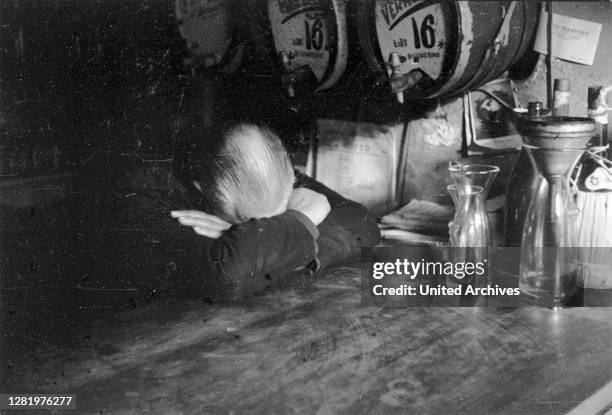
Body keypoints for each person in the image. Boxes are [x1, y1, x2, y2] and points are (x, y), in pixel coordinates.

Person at [112, 123, 380, 302]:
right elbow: (225, 277)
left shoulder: (268, 171)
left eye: (276, 216)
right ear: (201, 189)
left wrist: (255, 242)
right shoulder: (142, 192)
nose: (267, 226)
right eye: (252, 223)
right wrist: (302, 219)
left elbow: (363, 225)